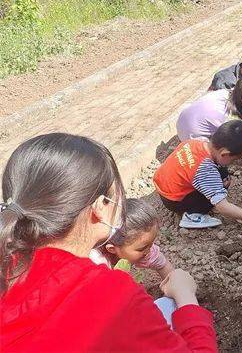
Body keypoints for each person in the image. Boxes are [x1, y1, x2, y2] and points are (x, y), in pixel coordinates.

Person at [0, 133, 217, 352]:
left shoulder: (10, 257)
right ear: (101, 206)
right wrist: (187, 297)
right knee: (170, 306)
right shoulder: (110, 294)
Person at [154, 120, 242, 230]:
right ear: (225, 154)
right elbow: (222, 207)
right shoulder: (205, 170)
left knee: (221, 172)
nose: (234, 162)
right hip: (175, 201)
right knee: (224, 182)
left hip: (165, 185)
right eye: (235, 159)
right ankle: (192, 216)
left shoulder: (196, 142)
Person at [177, 78, 242, 163]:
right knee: (216, 154)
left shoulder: (229, 92)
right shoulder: (230, 120)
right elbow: (234, 145)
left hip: (183, 121)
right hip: (190, 139)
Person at [90, 198, 175, 280]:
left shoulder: (142, 249)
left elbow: (163, 266)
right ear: (112, 249)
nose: (148, 251)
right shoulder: (97, 264)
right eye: (142, 249)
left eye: (151, 243)